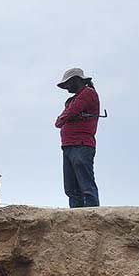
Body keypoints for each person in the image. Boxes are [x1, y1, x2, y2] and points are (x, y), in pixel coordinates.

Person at [55, 67, 100, 208]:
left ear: (76, 80)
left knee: (85, 185)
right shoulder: (75, 99)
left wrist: (65, 116)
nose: (66, 88)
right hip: (69, 145)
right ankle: (76, 216)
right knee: (71, 187)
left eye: (68, 84)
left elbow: (65, 116)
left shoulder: (88, 94)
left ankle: (92, 213)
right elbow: (61, 119)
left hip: (81, 144)